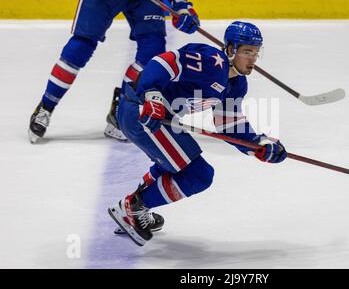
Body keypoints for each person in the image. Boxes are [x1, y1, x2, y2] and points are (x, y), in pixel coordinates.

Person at [107, 21, 288, 246]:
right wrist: (151, 96)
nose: (252, 59)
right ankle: (133, 208)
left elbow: (229, 124)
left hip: (160, 119)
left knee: (172, 166)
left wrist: (259, 144)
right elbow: (162, 62)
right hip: (141, 111)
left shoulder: (237, 84)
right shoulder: (213, 62)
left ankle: (133, 207)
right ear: (231, 50)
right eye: (247, 52)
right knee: (198, 174)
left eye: (256, 53)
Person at [28, 0, 199, 143]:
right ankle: (46, 107)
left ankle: (119, 112)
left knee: (152, 54)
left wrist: (181, 8)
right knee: (80, 48)